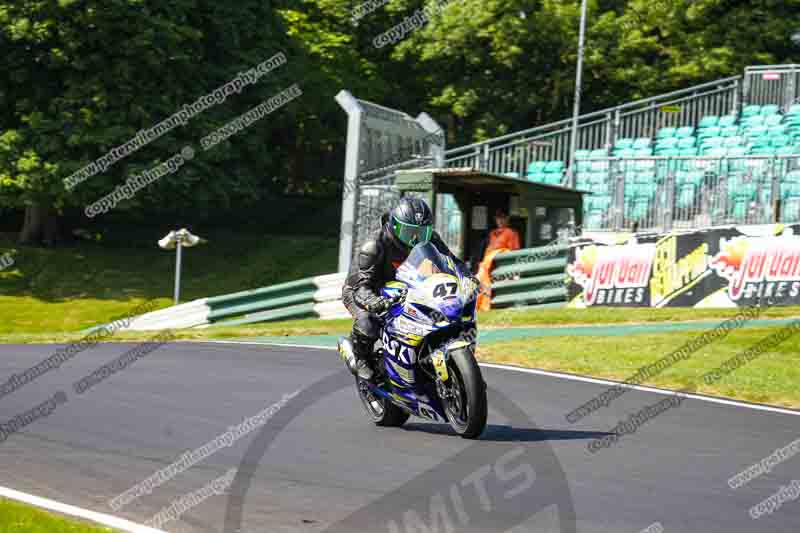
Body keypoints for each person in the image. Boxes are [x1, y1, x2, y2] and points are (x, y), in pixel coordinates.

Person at [340, 197, 470, 380]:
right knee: (368, 322)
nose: (415, 239)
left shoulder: (431, 239)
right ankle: (360, 357)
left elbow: (452, 262)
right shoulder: (374, 245)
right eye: (409, 233)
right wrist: (373, 301)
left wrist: (468, 277)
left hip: (405, 285)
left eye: (421, 233)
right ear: (394, 226)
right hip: (365, 288)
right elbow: (360, 286)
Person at [475, 208, 521, 311]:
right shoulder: (492, 233)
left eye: (502, 218)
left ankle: (485, 305)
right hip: (487, 267)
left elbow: (513, 253)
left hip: (501, 268)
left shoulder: (511, 233)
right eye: (498, 218)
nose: (500, 221)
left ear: (507, 219)